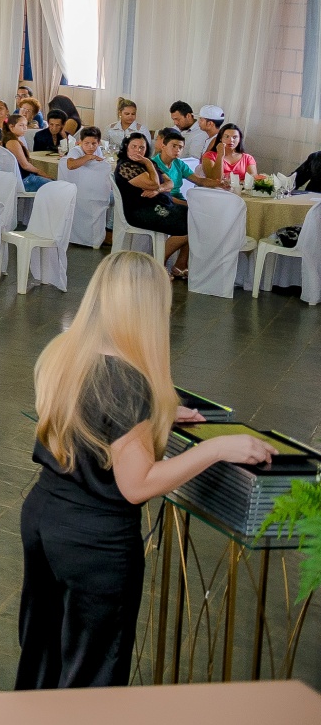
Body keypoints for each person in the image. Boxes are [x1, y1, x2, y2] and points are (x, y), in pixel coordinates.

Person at [16, 251, 275, 688]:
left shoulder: (66, 352)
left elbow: (91, 421)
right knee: (91, 677)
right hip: (94, 543)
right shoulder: (128, 382)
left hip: (44, 518)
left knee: (42, 657)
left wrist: (153, 418)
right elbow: (137, 485)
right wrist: (216, 449)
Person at [115, 133, 189, 275]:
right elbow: (153, 183)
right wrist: (149, 165)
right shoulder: (126, 166)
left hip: (161, 203)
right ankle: (158, 264)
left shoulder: (147, 163)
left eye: (142, 147)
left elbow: (170, 183)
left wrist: (158, 190)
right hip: (141, 210)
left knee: (194, 215)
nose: (138, 151)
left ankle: (180, 264)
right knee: (189, 225)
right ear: (126, 147)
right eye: (134, 147)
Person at [198, 123, 256, 190]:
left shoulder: (248, 158)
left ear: (239, 139)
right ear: (220, 138)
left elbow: (252, 180)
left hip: (240, 192)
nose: (231, 140)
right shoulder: (209, 156)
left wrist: (233, 184)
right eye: (227, 136)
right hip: (216, 192)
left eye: (235, 137)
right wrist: (220, 155)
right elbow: (215, 179)